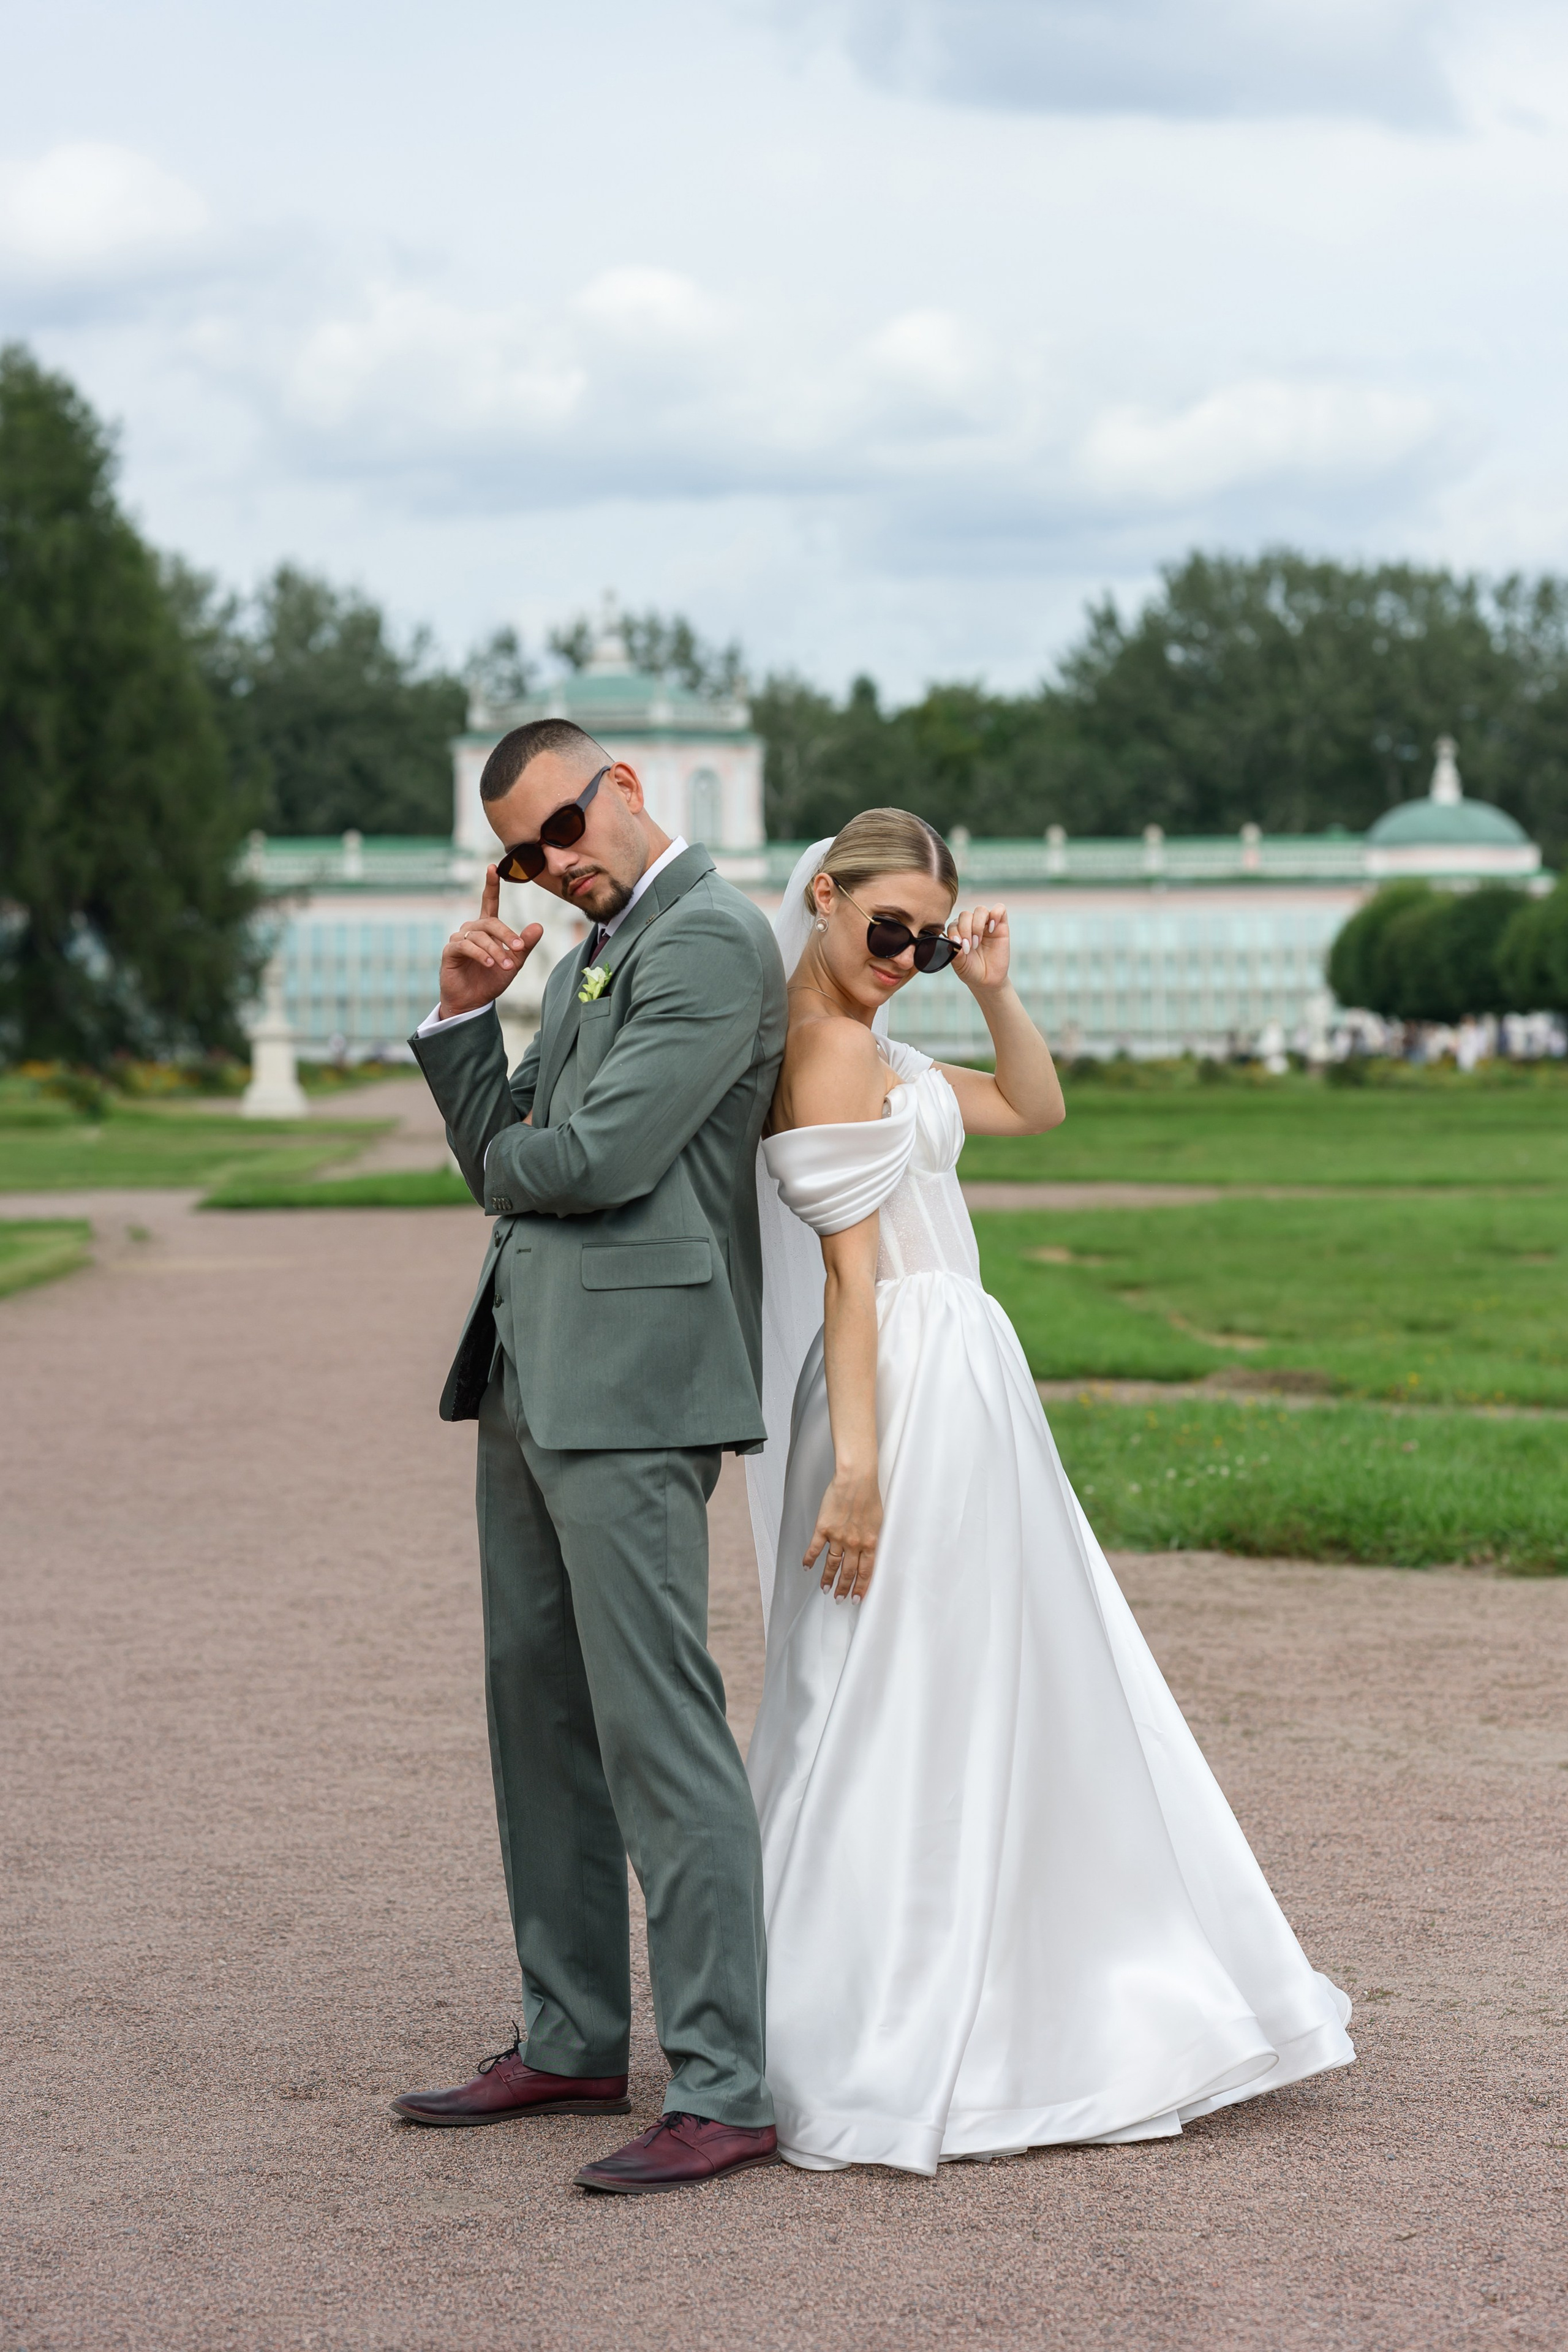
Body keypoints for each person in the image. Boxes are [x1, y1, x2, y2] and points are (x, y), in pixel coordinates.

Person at [745, 811, 1354, 2174]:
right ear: (824, 897)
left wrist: (993, 991)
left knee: (970, 1672)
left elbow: (1034, 1107)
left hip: (960, 1376)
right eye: (886, 929)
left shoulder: (881, 1043)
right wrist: (857, 1471)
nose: (903, 956)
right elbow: (848, 1276)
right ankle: (888, 2008)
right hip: (902, 1386)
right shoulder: (827, 1048)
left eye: (925, 939)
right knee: (894, 1679)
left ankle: (983, 1976)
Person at [393, 719, 786, 2196]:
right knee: (538, 1712)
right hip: (529, 1366)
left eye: (563, 826)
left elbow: (592, 1160)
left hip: (635, 1387)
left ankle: (722, 2086)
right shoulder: (581, 961)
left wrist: (510, 1154)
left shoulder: (710, 940)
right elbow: (517, 1151)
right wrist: (462, 1023)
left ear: (624, 787)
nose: (551, 864)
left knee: (655, 1727)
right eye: (520, 854)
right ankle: (568, 2037)